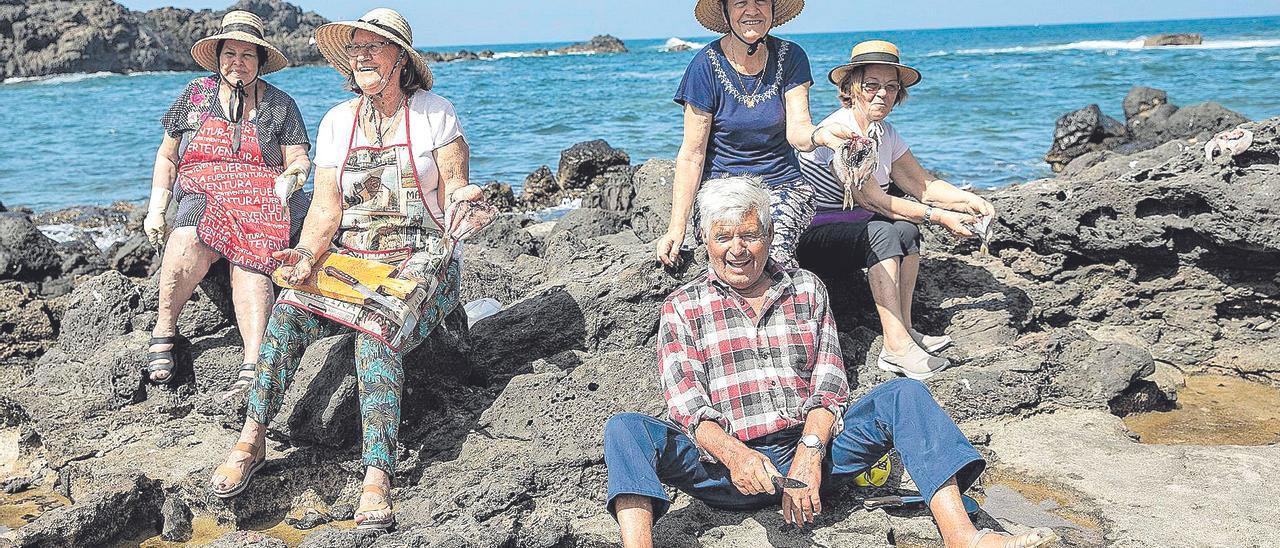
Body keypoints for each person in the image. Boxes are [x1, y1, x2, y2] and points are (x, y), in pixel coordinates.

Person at [606, 176, 1057, 548]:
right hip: (724, 467)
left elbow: (830, 382)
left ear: (768, 236)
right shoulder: (684, 305)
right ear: (705, 240)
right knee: (625, 428)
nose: (737, 248)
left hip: (814, 455)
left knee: (905, 394)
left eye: (749, 234)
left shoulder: (805, 288)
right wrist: (737, 456)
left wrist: (810, 452)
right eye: (723, 237)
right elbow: (687, 406)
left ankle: (963, 537)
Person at [207, 8, 485, 532]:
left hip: (421, 255)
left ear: (400, 59)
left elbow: (455, 189)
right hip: (352, 257)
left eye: (373, 48)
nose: (361, 57)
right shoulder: (339, 120)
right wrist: (306, 256)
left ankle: (378, 473)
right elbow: (326, 210)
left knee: (375, 333)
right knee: (287, 311)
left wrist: (470, 202)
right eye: (354, 49)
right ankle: (252, 437)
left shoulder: (435, 113)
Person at [796, 40, 998, 379]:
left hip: (854, 230)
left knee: (906, 230)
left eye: (891, 87)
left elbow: (922, 184)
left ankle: (904, 330)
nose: (882, 94)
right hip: (816, 234)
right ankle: (893, 348)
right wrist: (943, 218)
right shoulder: (842, 132)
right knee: (883, 230)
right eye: (872, 85)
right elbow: (873, 200)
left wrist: (970, 200)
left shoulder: (884, 132)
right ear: (852, 88)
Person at [143, 11, 312, 389]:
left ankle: (254, 362)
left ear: (260, 61)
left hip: (262, 200)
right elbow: (167, 156)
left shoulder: (281, 104)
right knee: (186, 239)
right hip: (204, 192)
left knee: (252, 261)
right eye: (230, 54)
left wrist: (296, 174)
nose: (238, 62)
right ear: (218, 56)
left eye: (248, 55)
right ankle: (164, 330)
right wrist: (157, 208)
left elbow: (298, 156)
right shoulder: (194, 94)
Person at [655, 0, 855, 269]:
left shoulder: (791, 57)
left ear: (773, 8)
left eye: (761, 1)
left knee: (772, 254)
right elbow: (692, 154)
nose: (752, 10)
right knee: (733, 256)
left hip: (783, 185)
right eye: (740, 2)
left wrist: (824, 136)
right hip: (721, 189)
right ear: (726, 12)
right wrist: (676, 229)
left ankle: (791, 304)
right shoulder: (704, 66)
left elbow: (798, 131)